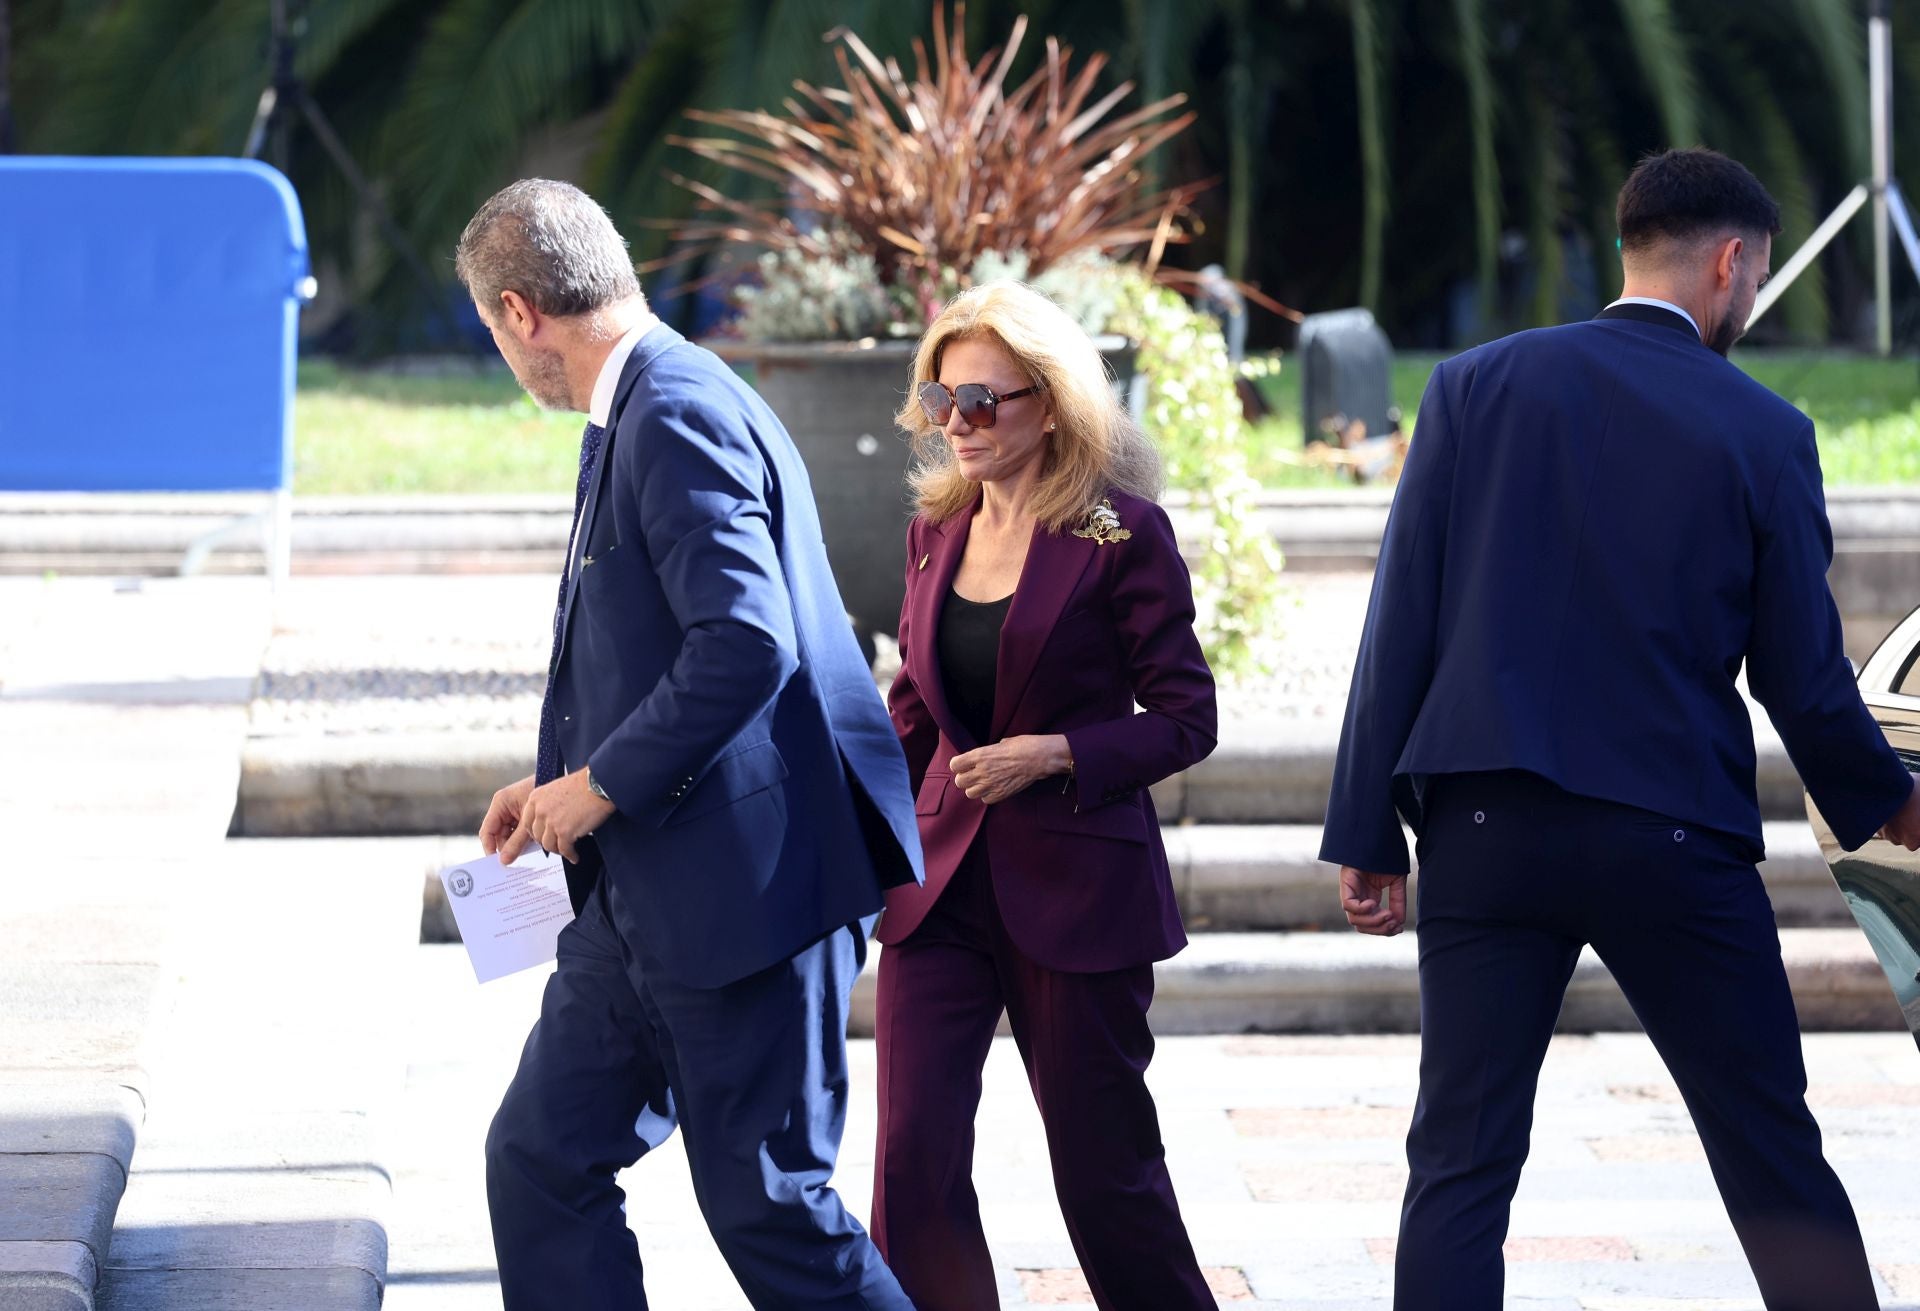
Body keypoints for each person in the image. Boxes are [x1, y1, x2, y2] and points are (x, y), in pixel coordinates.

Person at [1321, 146, 1920, 1310]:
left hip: (1483, 829)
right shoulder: (1766, 430)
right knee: (1766, 1150)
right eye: (1753, 281)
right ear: (1733, 262)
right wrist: (1893, 806)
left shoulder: (1471, 387)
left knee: (1459, 1164)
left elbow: (1400, 620)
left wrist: (1365, 831)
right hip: (1673, 842)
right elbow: (1801, 676)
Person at [458, 179, 922, 1311]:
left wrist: (603, 782)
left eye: (492, 331)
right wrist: (567, 777)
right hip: (645, 895)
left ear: (520, 312)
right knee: (538, 1160)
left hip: (745, 897)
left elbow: (743, 641)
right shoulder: (642, 404)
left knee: (772, 1208)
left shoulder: (670, 407)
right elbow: (671, 638)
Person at [869, 280, 1220, 1311]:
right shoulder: (936, 531)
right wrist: (850, 834)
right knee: (909, 1158)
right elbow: (914, 712)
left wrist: (1057, 752)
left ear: (1055, 403)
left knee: (1105, 1170)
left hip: (1078, 889)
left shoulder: (1123, 538)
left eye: (987, 400)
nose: (961, 424)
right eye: (943, 401)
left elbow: (1184, 719)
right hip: (937, 891)